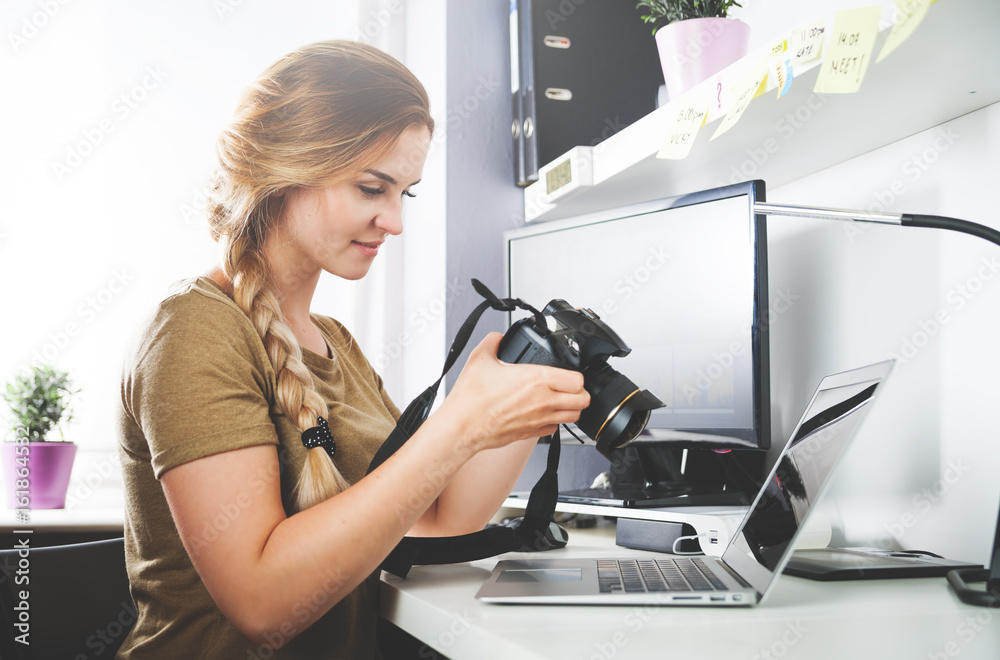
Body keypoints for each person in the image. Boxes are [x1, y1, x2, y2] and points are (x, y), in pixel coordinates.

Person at [115, 40, 589, 659]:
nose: (394, 222)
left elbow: (441, 518)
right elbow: (263, 605)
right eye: (372, 189)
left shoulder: (334, 343)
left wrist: (512, 401)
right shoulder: (190, 331)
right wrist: (458, 427)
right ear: (284, 172)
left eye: (405, 194)